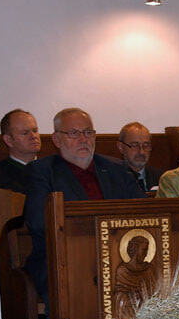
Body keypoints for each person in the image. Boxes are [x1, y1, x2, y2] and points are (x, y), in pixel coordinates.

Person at [23, 108, 145, 305]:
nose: (83, 139)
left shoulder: (116, 169)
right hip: (65, 261)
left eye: (88, 133)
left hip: (118, 257)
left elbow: (145, 210)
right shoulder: (43, 171)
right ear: (57, 139)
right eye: (74, 133)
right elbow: (38, 222)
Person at [0, 109, 42, 194]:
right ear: (9, 140)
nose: (34, 136)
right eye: (25, 133)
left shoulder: (54, 169)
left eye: (35, 131)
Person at [116, 121, 162, 193]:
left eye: (146, 145)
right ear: (121, 147)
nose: (141, 152)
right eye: (135, 145)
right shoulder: (111, 178)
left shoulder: (162, 178)